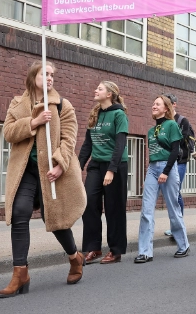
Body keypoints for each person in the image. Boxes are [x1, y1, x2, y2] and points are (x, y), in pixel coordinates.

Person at [0, 61, 87, 297]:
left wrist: (60, 164)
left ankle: (74, 257)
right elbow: (8, 133)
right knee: (20, 213)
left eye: (52, 75)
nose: (49, 78)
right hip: (25, 171)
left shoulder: (62, 106)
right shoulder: (17, 104)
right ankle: (20, 273)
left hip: (51, 173)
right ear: (32, 76)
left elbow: (69, 140)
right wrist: (34, 122)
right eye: (44, 73)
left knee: (55, 218)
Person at [79, 81, 129, 265]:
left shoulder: (119, 114)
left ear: (109, 94)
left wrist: (111, 170)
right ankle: (94, 247)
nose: (95, 90)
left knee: (114, 208)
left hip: (115, 165)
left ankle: (116, 250)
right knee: (89, 203)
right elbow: (87, 145)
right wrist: (78, 167)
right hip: (96, 165)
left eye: (99, 88)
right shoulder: (95, 114)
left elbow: (120, 144)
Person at [136, 96, 190, 264]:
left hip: (169, 167)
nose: (154, 105)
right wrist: (148, 175)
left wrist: (166, 172)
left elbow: (175, 150)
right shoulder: (151, 131)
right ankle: (145, 251)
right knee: (146, 210)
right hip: (152, 169)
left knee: (173, 208)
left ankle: (183, 245)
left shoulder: (172, 125)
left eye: (157, 104)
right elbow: (152, 154)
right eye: (153, 103)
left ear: (166, 108)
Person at [163, 93, 195, 238]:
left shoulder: (182, 121)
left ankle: (177, 226)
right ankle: (176, 225)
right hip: (165, 162)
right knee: (172, 194)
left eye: (166, 103)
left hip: (179, 162)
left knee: (175, 193)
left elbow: (181, 142)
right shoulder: (162, 121)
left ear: (173, 104)